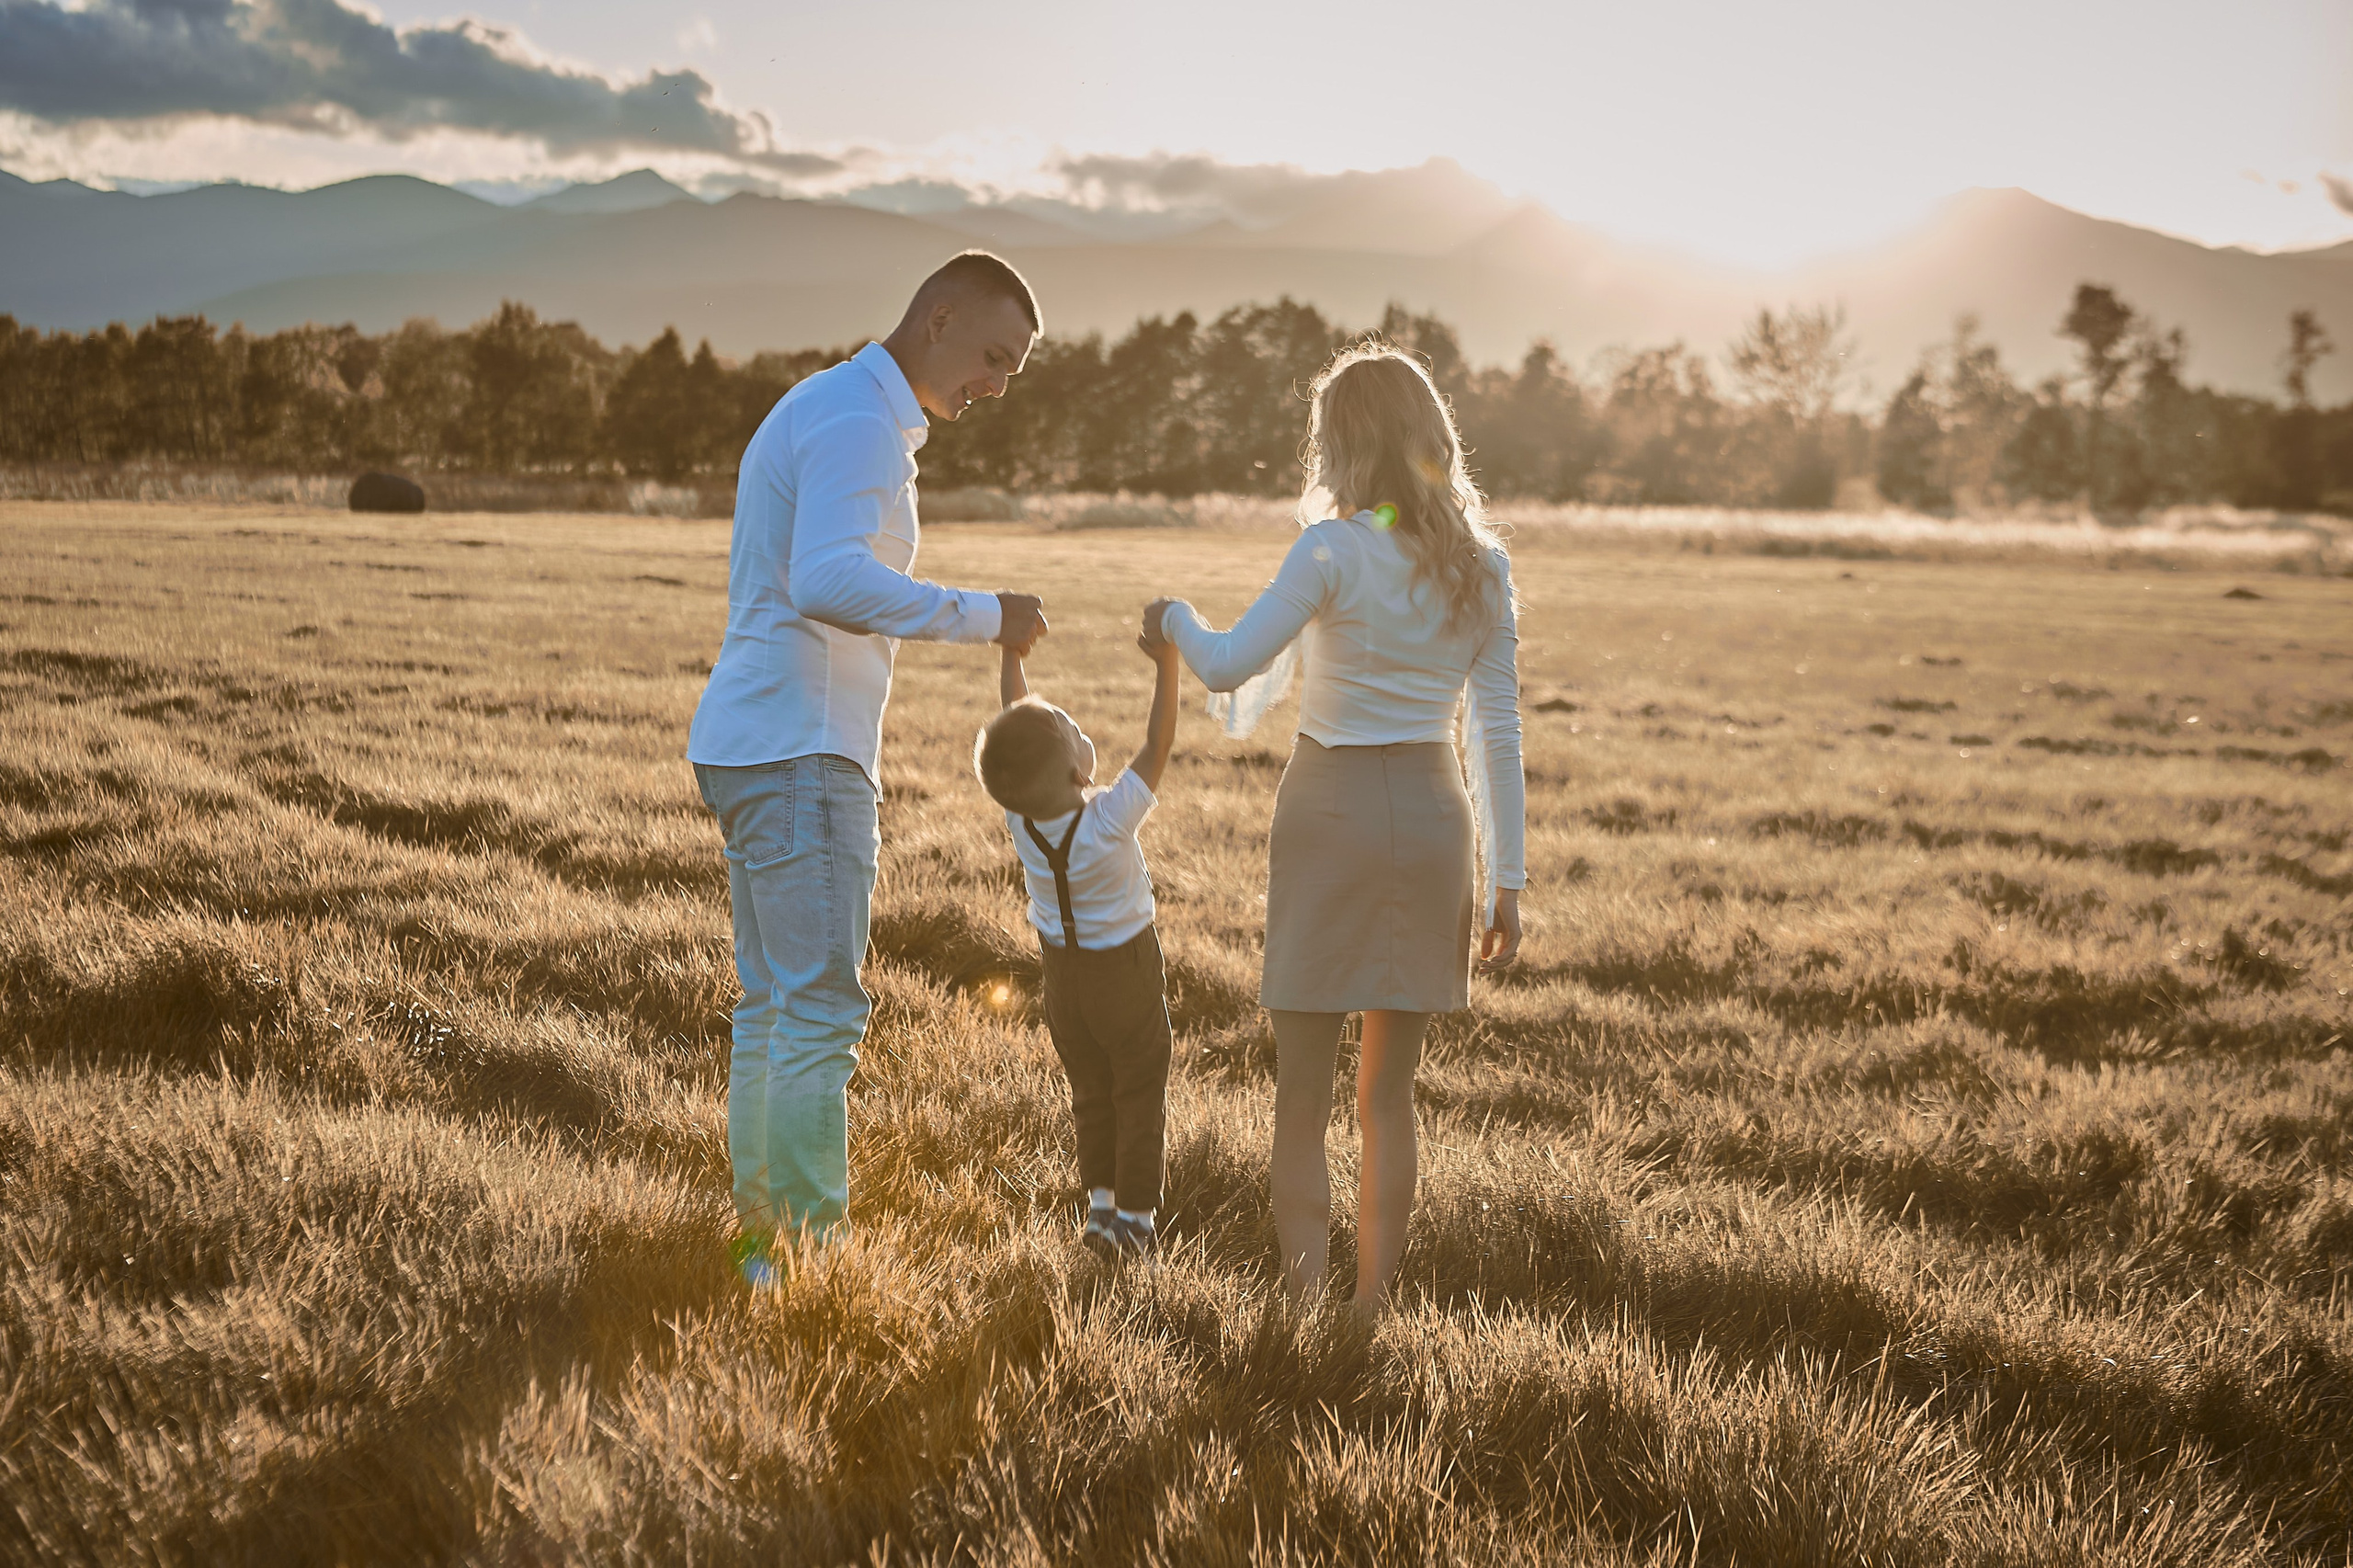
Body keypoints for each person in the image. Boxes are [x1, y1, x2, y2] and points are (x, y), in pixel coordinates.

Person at [688, 251, 1051, 1285]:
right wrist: (986, 614)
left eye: (1014, 368)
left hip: (759, 740)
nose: (998, 384)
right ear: (937, 319)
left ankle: (762, 1245)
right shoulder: (856, 422)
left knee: (773, 1005)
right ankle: (808, 1253)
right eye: (994, 356)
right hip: (801, 751)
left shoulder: (835, 405)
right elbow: (826, 579)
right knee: (816, 1012)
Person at [1146, 343, 1527, 1309]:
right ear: (1431, 436)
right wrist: (1507, 881)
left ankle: (1305, 1303)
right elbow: (1496, 733)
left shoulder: (1329, 551)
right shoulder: (1482, 568)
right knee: (1389, 1095)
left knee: (1302, 1090)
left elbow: (1226, 665)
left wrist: (1174, 618)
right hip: (1433, 818)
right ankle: (1369, 1307)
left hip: (1328, 811)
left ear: (1338, 445)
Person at [972, 608, 1182, 1260]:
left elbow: (1015, 719)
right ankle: (1137, 1221)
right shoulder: (1109, 819)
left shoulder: (1021, 820)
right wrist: (1168, 666)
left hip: (1062, 980)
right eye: (1073, 731)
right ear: (1077, 775)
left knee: (1091, 1094)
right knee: (1139, 1092)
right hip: (1123, 973)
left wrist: (1012, 655)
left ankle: (1101, 1208)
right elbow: (1157, 746)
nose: (1079, 728)